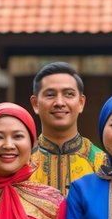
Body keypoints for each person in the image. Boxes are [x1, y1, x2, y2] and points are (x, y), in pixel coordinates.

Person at [28, 61, 103, 194]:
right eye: (50, 94)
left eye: (68, 94)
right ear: (35, 104)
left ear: (81, 103)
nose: (60, 103)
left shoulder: (101, 163)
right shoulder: (22, 162)